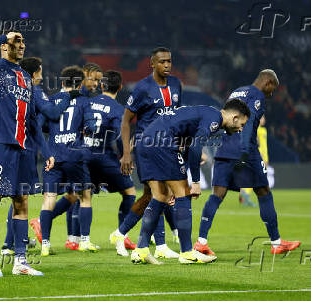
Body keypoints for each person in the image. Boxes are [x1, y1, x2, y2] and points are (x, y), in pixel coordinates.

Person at [0, 30, 55, 277]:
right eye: (16, 41)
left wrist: (47, 150)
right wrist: (3, 36)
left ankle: (20, 261)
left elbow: (32, 121)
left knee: (22, 203)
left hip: (24, 149)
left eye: (23, 42)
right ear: (4, 46)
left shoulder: (25, 78)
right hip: (0, 144)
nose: (21, 45)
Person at [195, 70, 301, 256]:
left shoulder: (237, 91)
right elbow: (250, 122)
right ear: (267, 83)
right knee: (264, 192)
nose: (271, 94)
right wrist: (244, 152)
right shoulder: (257, 96)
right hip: (245, 150)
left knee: (217, 194)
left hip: (224, 147)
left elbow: (226, 117)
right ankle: (276, 243)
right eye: (272, 89)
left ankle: (201, 242)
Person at [131, 99, 251, 264]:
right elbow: (195, 147)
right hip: (162, 143)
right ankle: (187, 252)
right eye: (242, 124)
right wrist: (195, 181)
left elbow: (188, 144)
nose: (240, 129)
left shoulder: (204, 111)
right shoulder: (215, 118)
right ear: (235, 117)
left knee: (160, 196)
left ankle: (141, 249)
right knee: (183, 194)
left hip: (146, 142)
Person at [0, 57, 76, 255]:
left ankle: (14, 242)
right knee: (20, 195)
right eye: (40, 72)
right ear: (34, 74)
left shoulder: (16, 89)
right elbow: (51, 111)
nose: (42, 77)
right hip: (27, 147)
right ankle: (12, 243)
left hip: (12, 142)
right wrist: (68, 96)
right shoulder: (35, 90)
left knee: (18, 194)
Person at [116, 47, 182, 260]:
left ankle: (120, 234)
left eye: (169, 61)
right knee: (159, 194)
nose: (167, 65)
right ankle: (156, 245)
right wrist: (126, 153)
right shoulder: (142, 88)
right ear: (152, 64)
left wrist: (180, 144)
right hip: (147, 147)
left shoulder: (176, 85)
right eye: (162, 61)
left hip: (167, 147)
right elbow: (126, 121)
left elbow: (177, 117)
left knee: (150, 197)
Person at [35, 65, 100, 256]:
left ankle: (45, 245)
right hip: (74, 155)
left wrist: (56, 134)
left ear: (62, 83)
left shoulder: (52, 100)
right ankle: (84, 241)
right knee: (85, 196)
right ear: (80, 84)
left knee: (48, 200)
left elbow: (40, 126)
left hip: (53, 157)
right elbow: (90, 125)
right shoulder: (83, 101)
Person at [82, 70, 137, 256]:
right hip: (104, 158)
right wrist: (124, 156)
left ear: (102, 85)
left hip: (83, 156)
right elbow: (121, 136)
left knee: (84, 196)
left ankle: (83, 239)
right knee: (129, 192)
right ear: (120, 87)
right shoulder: (118, 108)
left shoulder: (88, 102)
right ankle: (123, 233)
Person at [239, 115, 268, 207]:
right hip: (258, 156)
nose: (264, 119)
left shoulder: (263, 130)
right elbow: (257, 144)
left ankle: (245, 193)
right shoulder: (256, 130)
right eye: (262, 118)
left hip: (262, 156)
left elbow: (264, 146)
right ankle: (245, 193)